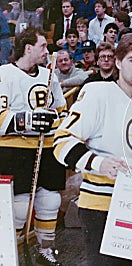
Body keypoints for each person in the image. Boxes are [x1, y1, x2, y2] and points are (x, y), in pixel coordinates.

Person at [53, 32, 132, 265]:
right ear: (118, 62)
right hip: (101, 206)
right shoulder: (97, 94)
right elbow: (62, 142)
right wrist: (99, 163)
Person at [0, 26, 67, 266]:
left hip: (47, 147)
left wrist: (55, 121)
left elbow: (61, 110)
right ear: (27, 48)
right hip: (14, 150)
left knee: (50, 201)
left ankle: (45, 250)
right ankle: (9, 253)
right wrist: (26, 120)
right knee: (18, 208)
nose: (47, 51)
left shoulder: (50, 75)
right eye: (42, 46)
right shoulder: (4, 74)